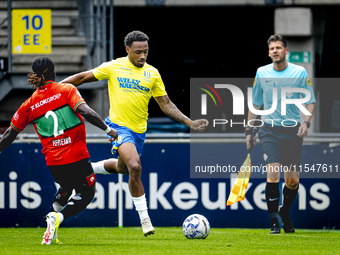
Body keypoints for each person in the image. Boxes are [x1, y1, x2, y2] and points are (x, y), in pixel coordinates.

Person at [60, 30, 209, 236]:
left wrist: (188, 121)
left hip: (139, 132)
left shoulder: (153, 73)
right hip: (118, 127)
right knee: (135, 166)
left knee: (124, 168)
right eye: (138, 52)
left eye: (146, 52)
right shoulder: (114, 66)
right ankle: (145, 220)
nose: (142, 56)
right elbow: (83, 77)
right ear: (127, 50)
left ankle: (90, 168)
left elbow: (165, 105)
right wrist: (55, 89)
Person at [0, 57, 118, 244]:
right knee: (86, 194)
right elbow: (86, 112)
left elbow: (9, 134)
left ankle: (52, 228)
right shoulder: (67, 90)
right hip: (77, 157)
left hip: (54, 163)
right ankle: (57, 217)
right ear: (52, 73)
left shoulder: (29, 104)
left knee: (67, 186)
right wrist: (108, 129)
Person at [246, 34, 316, 234]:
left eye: (279, 47)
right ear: (269, 53)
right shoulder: (261, 73)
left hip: (293, 131)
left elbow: (310, 100)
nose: (275, 51)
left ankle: (285, 212)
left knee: (292, 181)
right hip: (268, 130)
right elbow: (256, 103)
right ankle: (274, 222)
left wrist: (306, 122)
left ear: (286, 51)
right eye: (272, 48)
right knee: (273, 174)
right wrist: (249, 131)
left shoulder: (300, 72)